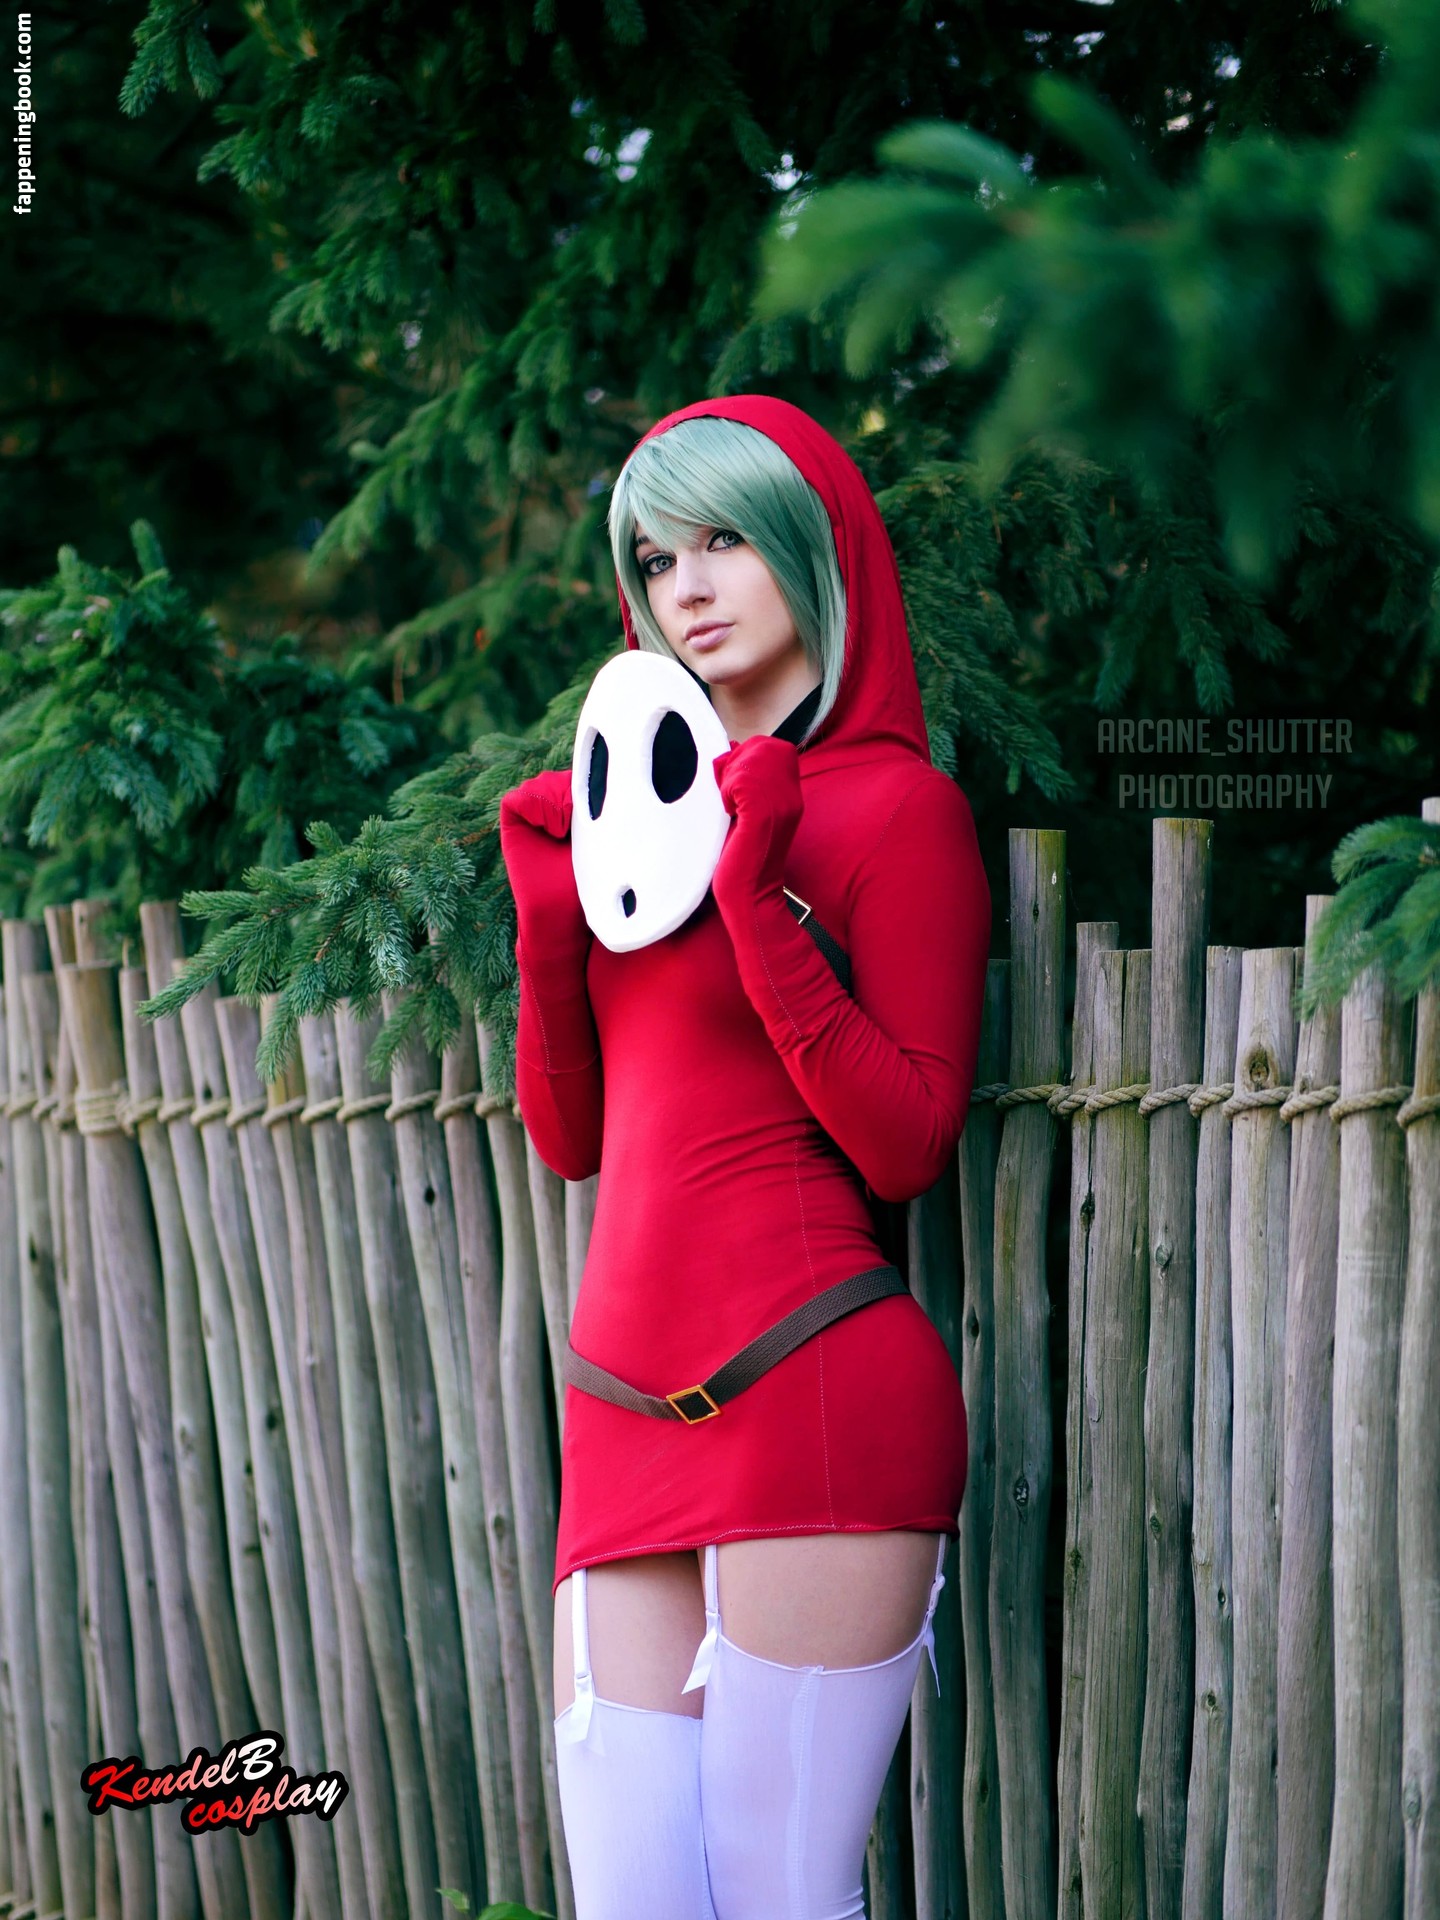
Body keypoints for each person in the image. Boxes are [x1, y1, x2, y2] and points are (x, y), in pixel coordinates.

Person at [498, 394, 991, 1919]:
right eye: (656, 559)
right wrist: (547, 925)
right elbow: (573, 1141)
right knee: (633, 1901)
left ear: (813, 545)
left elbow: (907, 1143)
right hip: (620, 1418)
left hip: (816, 1395)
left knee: (780, 1896)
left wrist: (760, 894)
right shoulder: (637, 830)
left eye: (724, 541)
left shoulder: (899, 812)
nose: (688, 587)